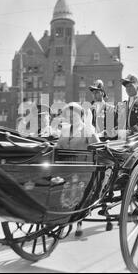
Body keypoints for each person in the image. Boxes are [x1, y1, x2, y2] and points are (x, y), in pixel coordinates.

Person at [56, 102, 100, 238]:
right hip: (68, 169)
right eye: (67, 116)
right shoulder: (65, 131)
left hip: (84, 171)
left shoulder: (87, 130)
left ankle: (79, 222)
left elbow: (99, 147)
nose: (70, 118)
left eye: (72, 115)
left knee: (78, 189)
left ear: (80, 115)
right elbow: (58, 147)